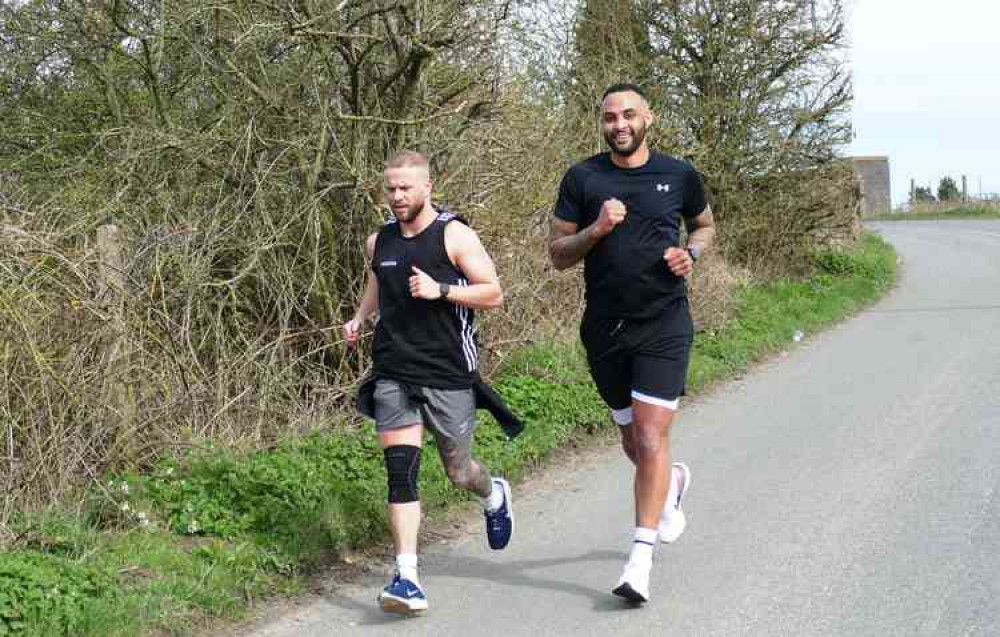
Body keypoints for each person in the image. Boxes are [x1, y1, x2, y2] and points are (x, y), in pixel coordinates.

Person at [549, 83, 715, 603]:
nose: (618, 124)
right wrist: (596, 229)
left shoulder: (679, 174)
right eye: (608, 118)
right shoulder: (582, 177)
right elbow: (557, 254)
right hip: (603, 329)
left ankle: (638, 560)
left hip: (664, 322)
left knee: (649, 436)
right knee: (633, 442)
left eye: (627, 115)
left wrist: (692, 253)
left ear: (649, 119)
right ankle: (672, 489)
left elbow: (706, 225)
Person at [343, 150, 514, 615]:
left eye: (405, 188)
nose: (397, 196)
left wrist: (443, 290)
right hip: (394, 370)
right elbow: (378, 281)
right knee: (400, 472)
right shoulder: (379, 242)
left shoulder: (454, 235)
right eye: (390, 189)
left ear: (427, 187)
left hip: (448, 372)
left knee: (458, 471)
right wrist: (360, 316)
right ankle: (407, 578)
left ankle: (493, 492)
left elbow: (493, 293)